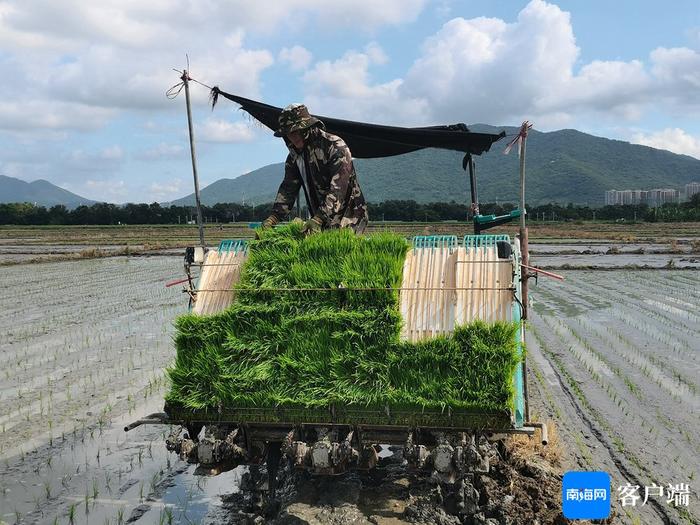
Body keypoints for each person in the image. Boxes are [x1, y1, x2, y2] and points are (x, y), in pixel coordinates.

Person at [260, 103, 368, 235]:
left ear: (307, 127)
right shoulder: (294, 156)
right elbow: (288, 188)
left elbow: (339, 188)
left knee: (343, 251)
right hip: (319, 215)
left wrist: (319, 218)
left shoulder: (334, 146)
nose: (293, 137)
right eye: (288, 133)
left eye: (296, 131)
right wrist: (273, 218)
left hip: (349, 216)